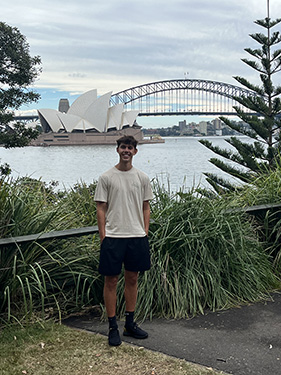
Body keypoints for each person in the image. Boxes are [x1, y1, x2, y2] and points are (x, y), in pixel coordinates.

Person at [94, 135, 153, 346]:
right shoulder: (106, 177)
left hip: (136, 236)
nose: (126, 150)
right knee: (111, 281)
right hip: (113, 236)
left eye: (130, 147)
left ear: (135, 152)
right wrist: (103, 236)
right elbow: (101, 207)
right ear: (117, 150)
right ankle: (112, 326)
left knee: (133, 279)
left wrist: (144, 231)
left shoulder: (142, 178)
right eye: (123, 147)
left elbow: (146, 206)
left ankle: (129, 323)